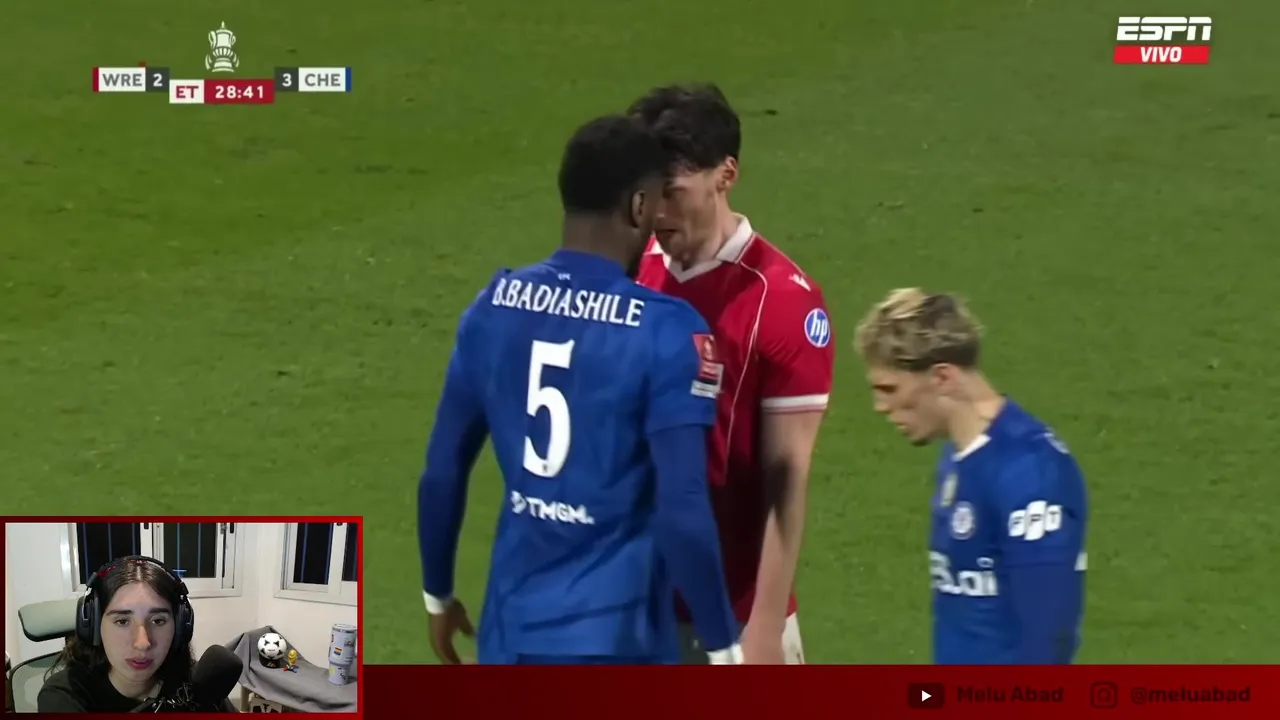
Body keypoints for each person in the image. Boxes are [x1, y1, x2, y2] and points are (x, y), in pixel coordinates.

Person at [417, 114, 742, 665]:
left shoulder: (493, 306)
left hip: (510, 637)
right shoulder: (667, 330)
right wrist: (724, 647)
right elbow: (683, 507)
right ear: (639, 207)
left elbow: (443, 470)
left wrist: (438, 596)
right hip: (617, 645)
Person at [631, 84, 835, 664]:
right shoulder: (628, 271)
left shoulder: (782, 302)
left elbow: (786, 478)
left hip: (731, 613)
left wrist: (765, 625)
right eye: (647, 192)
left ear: (726, 174)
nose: (657, 213)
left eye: (673, 192)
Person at [852, 288, 1088, 664]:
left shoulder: (1028, 471)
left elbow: (1049, 633)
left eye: (889, 388)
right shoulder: (958, 456)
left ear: (942, 377)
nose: (880, 406)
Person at [38, 556, 237, 712]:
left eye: (158, 621)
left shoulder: (194, 685)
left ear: (179, 627)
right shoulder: (66, 695)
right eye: (122, 621)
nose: (142, 643)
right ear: (94, 626)